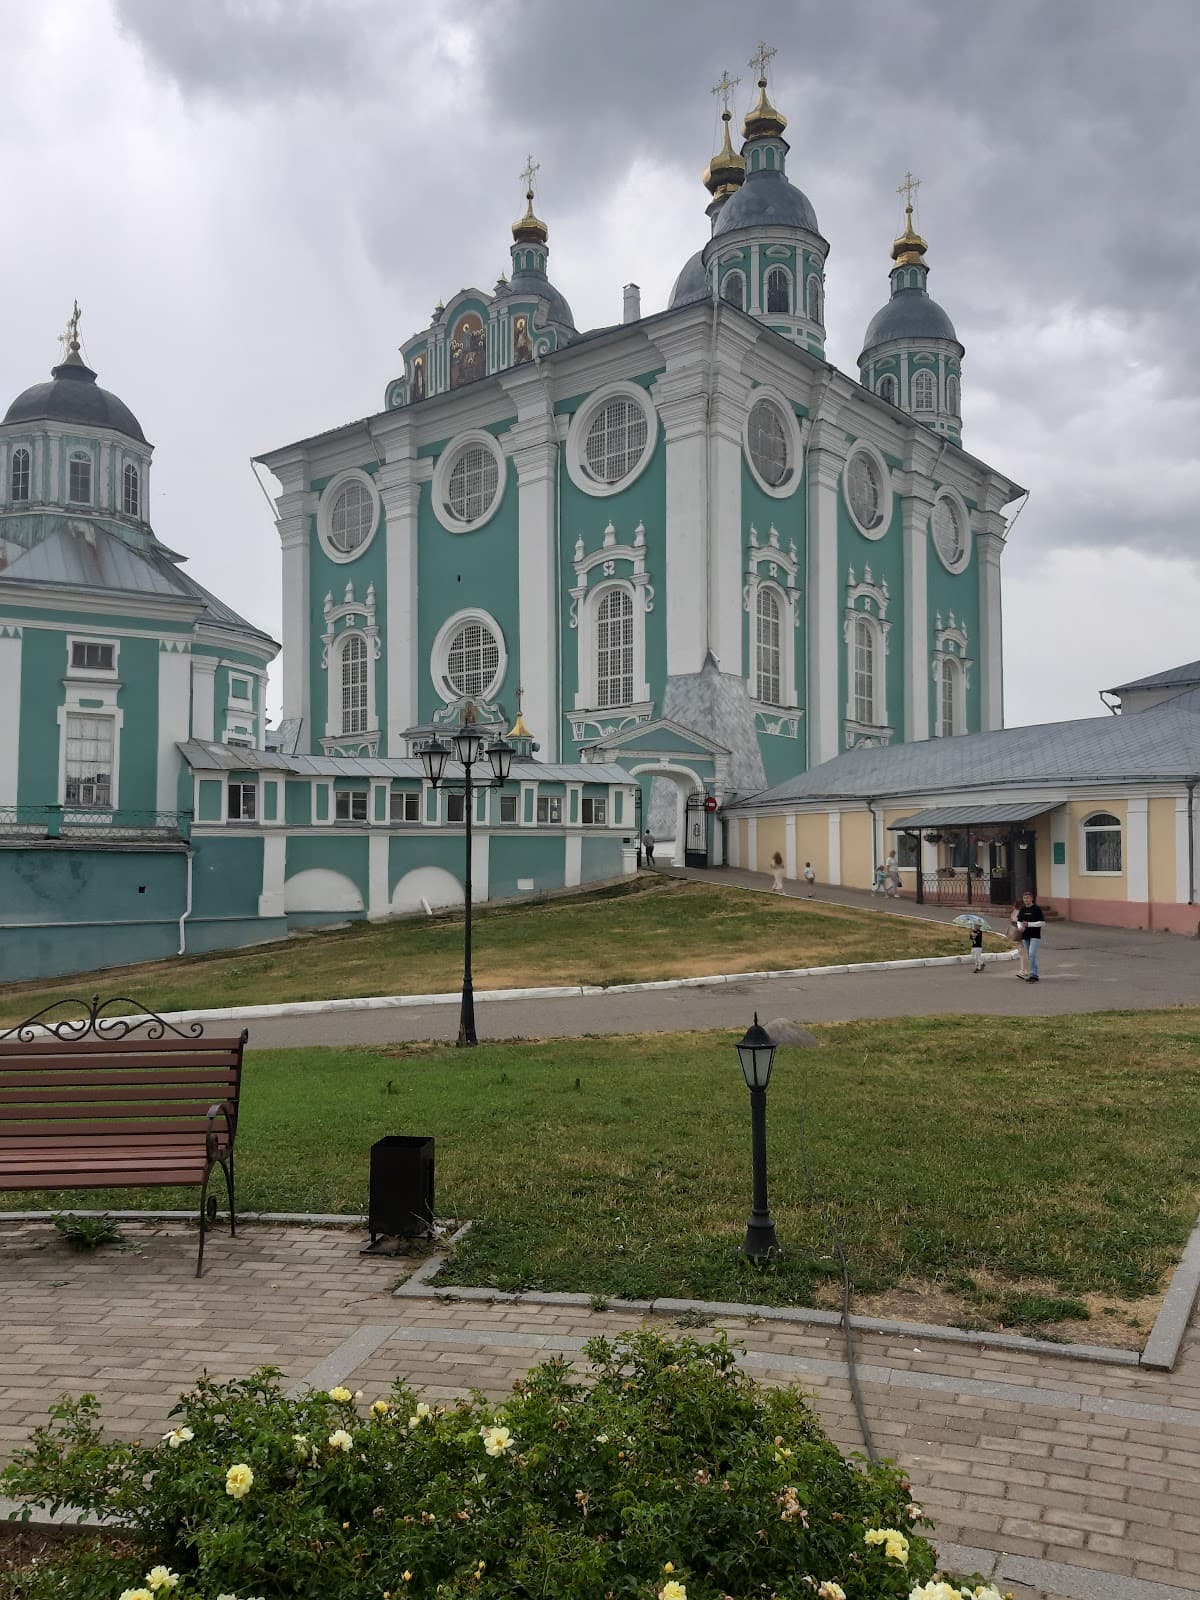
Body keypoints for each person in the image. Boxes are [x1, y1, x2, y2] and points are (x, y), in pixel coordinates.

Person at [1016, 890, 1045, 981]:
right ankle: (1033, 974)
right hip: (1026, 935)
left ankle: (1034, 974)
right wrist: (1020, 927)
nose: (1026, 900)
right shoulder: (1022, 909)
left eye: (1028, 898)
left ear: (1032, 899)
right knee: (1030, 955)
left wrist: (1029, 924)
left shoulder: (1036, 909)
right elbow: (1019, 921)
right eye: (1024, 898)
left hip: (1035, 935)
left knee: (1032, 954)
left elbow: (1042, 923)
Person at [1009, 901, 1028, 977]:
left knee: (1022, 952)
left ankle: (1024, 970)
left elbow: (1014, 920)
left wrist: (1014, 922)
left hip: (1019, 932)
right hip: (1019, 932)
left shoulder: (1016, 911)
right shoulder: (1019, 911)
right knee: (1022, 952)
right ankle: (1024, 969)